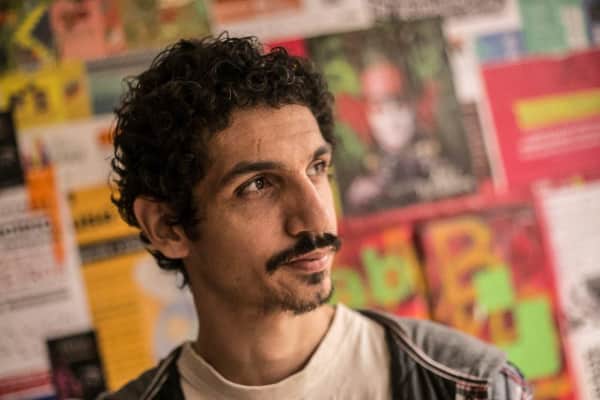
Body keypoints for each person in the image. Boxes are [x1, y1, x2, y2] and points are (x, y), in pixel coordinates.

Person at [102, 34, 531, 399]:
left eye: (317, 168)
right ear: (167, 227)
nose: (316, 219)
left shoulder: (471, 387)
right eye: (258, 184)